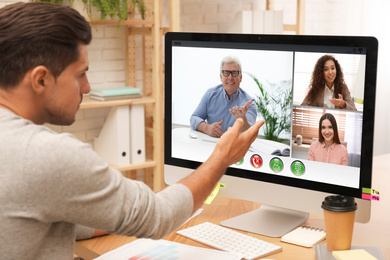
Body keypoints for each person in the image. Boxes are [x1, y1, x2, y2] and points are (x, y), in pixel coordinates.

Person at [0, 3, 264, 259]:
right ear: (41, 79)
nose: (87, 87)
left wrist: (116, 214)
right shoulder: (47, 155)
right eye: (80, 74)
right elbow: (159, 217)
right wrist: (222, 157)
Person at [190, 55, 258, 137]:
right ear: (221, 77)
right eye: (226, 73)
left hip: (235, 147)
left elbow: (249, 133)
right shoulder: (210, 94)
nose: (230, 77)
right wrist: (207, 128)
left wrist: (242, 120)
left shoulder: (249, 103)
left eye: (234, 73)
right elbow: (194, 118)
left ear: (240, 77)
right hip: (210, 145)